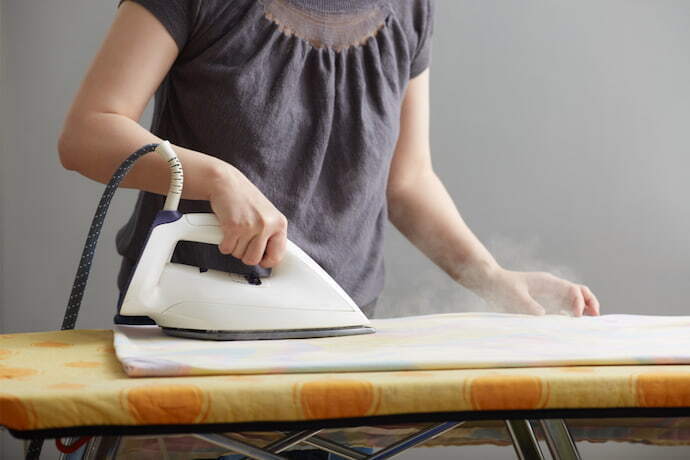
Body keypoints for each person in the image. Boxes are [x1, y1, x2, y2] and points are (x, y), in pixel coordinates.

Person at [58, 0, 599, 457]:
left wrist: (493, 278)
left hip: (341, 354)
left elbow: (406, 182)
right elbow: (88, 132)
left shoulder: (408, 7)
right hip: (189, 355)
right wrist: (214, 178)